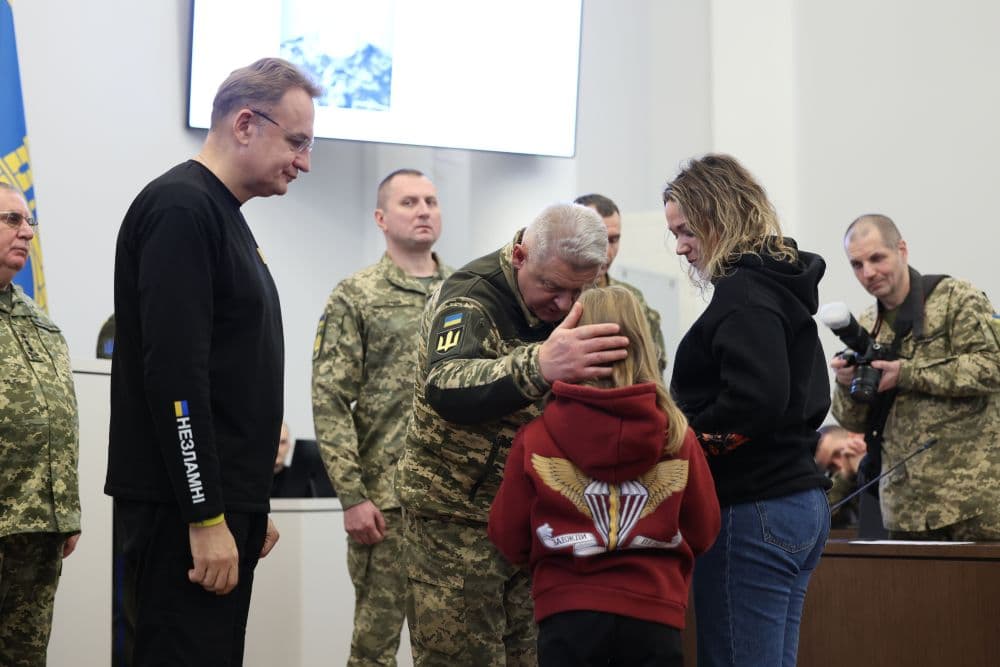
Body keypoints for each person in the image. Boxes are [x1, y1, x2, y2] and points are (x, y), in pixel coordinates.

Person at [105, 57, 321, 666]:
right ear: (246, 124)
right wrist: (205, 515)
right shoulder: (181, 209)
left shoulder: (222, 215)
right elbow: (176, 380)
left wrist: (248, 503)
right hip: (181, 513)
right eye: (297, 142)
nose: (304, 162)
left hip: (222, 504)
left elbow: (232, 373)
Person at [395, 202, 630, 666]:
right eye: (552, 286)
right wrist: (539, 364)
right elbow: (445, 385)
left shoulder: (575, 296)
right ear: (521, 255)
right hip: (455, 522)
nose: (563, 304)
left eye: (578, 290)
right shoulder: (471, 296)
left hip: (529, 522)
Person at [487, 285, 720, 667]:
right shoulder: (678, 437)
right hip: (654, 618)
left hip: (566, 615)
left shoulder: (537, 438)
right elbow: (704, 530)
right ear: (643, 343)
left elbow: (507, 537)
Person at [664, 154, 831, 667]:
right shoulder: (778, 288)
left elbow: (755, 403)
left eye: (687, 231)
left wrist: (684, 442)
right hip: (794, 498)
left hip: (753, 505)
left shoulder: (745, 296)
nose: (681, 247)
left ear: (718, 216)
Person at [311, 168, 453, 666]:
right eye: (409, 202)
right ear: (380, 218)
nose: (423, 211)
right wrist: (352, 496)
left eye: (431, 201)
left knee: (455, 648)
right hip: (385, 505)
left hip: (456, 505)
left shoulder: (466, 293)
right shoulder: (357, 295)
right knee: (375, 649)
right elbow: (330, 399)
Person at [831, 214, 1000, 540]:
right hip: (906, 509)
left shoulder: (956, 299)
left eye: (877, 258)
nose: (868, 273)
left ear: (902, 250)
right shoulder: (865, 327)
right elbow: (854, 421)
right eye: (857, 264)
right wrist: (844, 382)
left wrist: (906, 373)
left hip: (974, 499)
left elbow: (992, 366)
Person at [0, 182, 81, 666]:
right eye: (12, 220)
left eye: (29, 221)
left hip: (37, 529)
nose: (28, 232)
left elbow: (60, 418)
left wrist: (64, 511)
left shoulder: (39, 322)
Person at [574, 193, 667, 374]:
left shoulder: (632, 300)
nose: (606, 252)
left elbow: (654, 369)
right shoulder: (552, 300)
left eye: (613, 240)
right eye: (596, 240)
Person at [815, 424, 866, 529]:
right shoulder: (836, 483)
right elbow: (818, 518)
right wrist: (845, 476)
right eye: (831, 466)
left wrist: (865, 469)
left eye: (838, 453)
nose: (839, 464)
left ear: (853, 436)